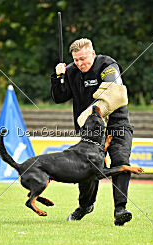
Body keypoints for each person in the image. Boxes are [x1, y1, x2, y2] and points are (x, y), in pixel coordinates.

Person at [50, 38, 134, 226]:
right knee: (87, 168)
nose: (80, 63)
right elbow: (59, 97)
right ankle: (85, 206)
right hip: (91, 133)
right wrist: (58, 77)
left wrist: (85, 117)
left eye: (83, 59)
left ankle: (120, 209)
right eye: (76, 60)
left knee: (120, 160)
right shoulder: (72, 71)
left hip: (116, 125)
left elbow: (115, 94)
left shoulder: (108, 65)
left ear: (93, 54)